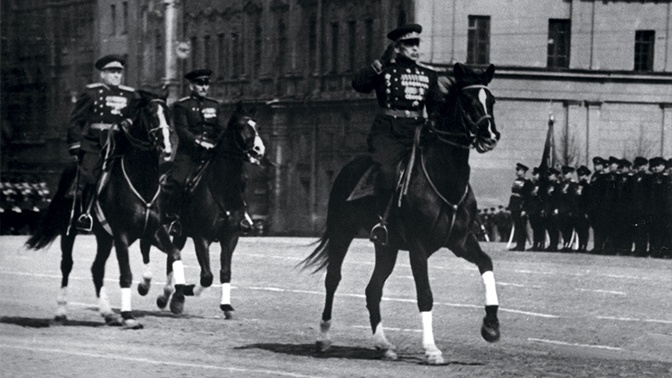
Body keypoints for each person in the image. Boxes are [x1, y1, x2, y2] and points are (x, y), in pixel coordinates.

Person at [351, 23, 444, 245]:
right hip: (388, 133)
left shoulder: (428, 75)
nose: (415, 49)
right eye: (409, 44)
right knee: (387, 171)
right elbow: (359, 84)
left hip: (417, 133)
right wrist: (381, 62)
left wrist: (434, 125)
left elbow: (436, 108)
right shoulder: (385, 71)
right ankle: (382, 222)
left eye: (416, 44)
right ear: (398, 47)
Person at [67, 55, 135, 231]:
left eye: (119, 72)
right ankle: (85, 214)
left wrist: (129, 122)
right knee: (89, 176)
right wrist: (76, 146)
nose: (116, 76)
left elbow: (135, 116)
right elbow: (75, 122)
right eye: (112, 72)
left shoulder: (129, 94)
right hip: (95, 143)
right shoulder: (92, 93)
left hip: (120, 143)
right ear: (103, 74)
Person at [160, 69, 227, 236]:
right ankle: (174, 219)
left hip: (211, 154)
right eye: (199, 84)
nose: (204, 87)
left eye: (206, 84)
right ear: (192, 86)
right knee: (178, 182)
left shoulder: (215, 105)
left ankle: (237, 217)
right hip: (189, 155)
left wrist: (217, 143)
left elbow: (221, 128)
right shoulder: (182, 106)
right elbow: (182, 130)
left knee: (234, 177)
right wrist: (200, 143)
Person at [507, 163, 532, 251]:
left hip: (521, 206)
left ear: (524, 171)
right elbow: (513, 195)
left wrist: (525, 209)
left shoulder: (527, 182)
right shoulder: (516, 181)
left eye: (519, 170)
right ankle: (518, 244)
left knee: (522, 226)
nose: (517, 172)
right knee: (517, 226)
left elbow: (528, 197)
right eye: (517, 170)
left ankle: (521, 245)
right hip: (515, 205)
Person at [526, 167, 546, 251]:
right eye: (533, 174)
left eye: (536, 174)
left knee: (540, 227)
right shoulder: (532, 184)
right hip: (532, 209)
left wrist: (542, 208)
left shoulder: (542, 185)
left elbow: (544, 198)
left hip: (538, 208)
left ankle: (541, 244)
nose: (534, 176)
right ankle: (535, 243)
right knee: (534, 227)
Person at [575, 165, 591, 252]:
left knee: (584, 229)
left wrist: (587, 212)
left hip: (584, 211)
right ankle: (580, 245)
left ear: (586, 175)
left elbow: (588, 200)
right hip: (578, 211)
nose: (580, 177)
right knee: (579, 229)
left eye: (582, 175)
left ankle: (584, 246)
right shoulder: (578, 185)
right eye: (579, 175)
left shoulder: (588, 186)